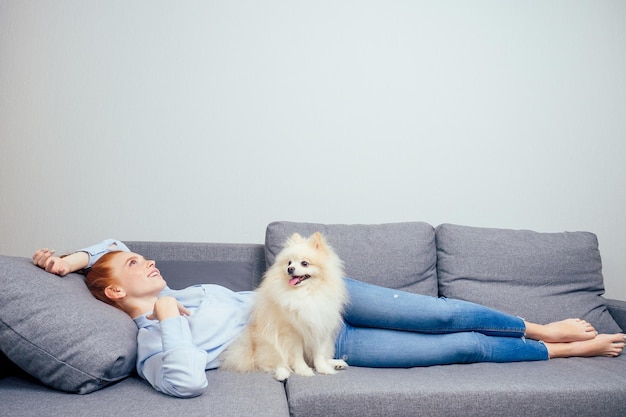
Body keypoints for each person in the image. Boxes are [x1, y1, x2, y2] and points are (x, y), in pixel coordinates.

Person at [33, 239, 625, 398]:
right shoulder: (152, 345)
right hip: (326, 341)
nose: (150, 259)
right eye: (136, 263)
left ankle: (537, 327)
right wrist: (168, 318)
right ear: (113, 294)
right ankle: (564, 352)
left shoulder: (178, 284)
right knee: (455, 348)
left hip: (322, 301)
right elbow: (186, 383)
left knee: (447, 315)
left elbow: (109, 243)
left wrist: (69, 260)